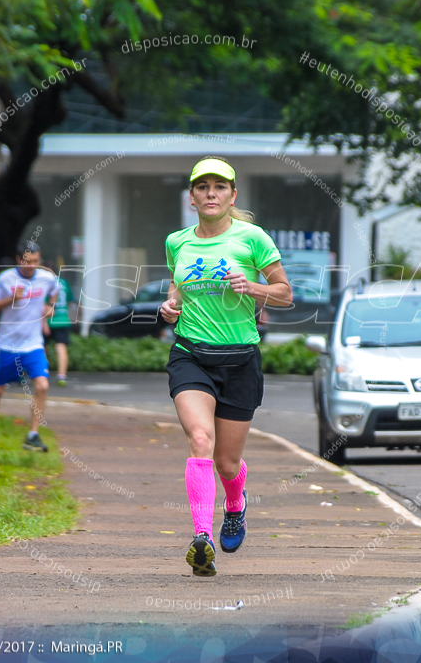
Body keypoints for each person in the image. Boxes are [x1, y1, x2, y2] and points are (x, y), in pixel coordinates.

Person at [159, 156, 293, 577]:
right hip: (191, 354)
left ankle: (235, 506)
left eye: (220, 187)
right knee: (200, 439)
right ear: (192, 197)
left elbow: (285, 294)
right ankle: (202, 539)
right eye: (203, 188)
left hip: (239, 359)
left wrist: (252, 287)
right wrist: (170, 306)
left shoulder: (252, 238)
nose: (211, 194)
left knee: (227, 463)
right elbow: (178, 289)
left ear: (232, 195)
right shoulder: (177, 242)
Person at [0, 240, 58, 456]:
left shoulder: (46, 277)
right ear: (18, 260)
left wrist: (50, 307)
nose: (31, 265)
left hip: (33, 344)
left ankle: (32, 434)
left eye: (35, 261)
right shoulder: (5, 279)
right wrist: (10, 299)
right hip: (7, 344)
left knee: (42, 386)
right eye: (27, 261)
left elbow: (55, 291)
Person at [43, 260, 74, 386]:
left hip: (48, 320)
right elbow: (70, 302)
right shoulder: (64, 283)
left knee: (43, 348)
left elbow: (43, 305)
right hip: (63, 320)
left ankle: (43, 373)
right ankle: (62, 376)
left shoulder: (45, 284)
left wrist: (44, 322)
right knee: (61, 347)